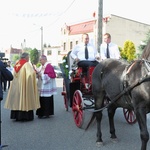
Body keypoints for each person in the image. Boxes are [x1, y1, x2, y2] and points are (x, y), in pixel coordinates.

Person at [4, 52, 40, 121]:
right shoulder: (26, 64)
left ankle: (16, 116)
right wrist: (35, 74)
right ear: (26, 58)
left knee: (17, 99)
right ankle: (24, 116)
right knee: (25, 98)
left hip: (16, 85)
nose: (29, 59)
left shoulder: (17, 63)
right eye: (28, 57)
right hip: (24, 85)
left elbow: (13, 74)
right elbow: (30, 74)